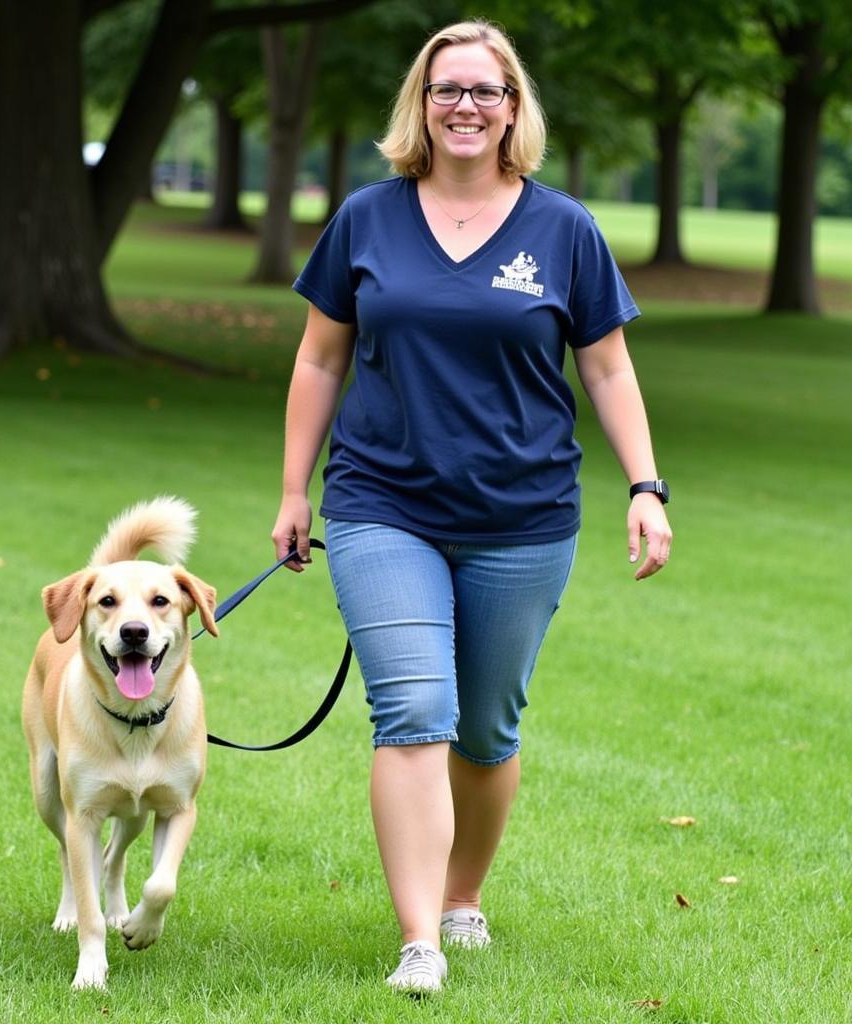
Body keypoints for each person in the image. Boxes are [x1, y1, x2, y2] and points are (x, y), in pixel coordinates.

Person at [271, 20, 672, 995]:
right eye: (446, 89)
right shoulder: (366, 219)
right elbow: (320, 355)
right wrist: (293, 488)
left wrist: (645, 485)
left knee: (486, 729)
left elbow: (607, 366)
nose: (464, 106)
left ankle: (462, 895)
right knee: (412, 709)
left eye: (484, 91)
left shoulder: (562, 228)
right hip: (381, 502)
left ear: (511, 108)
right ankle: (421, 941)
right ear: (421, 102)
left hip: (522, 515)